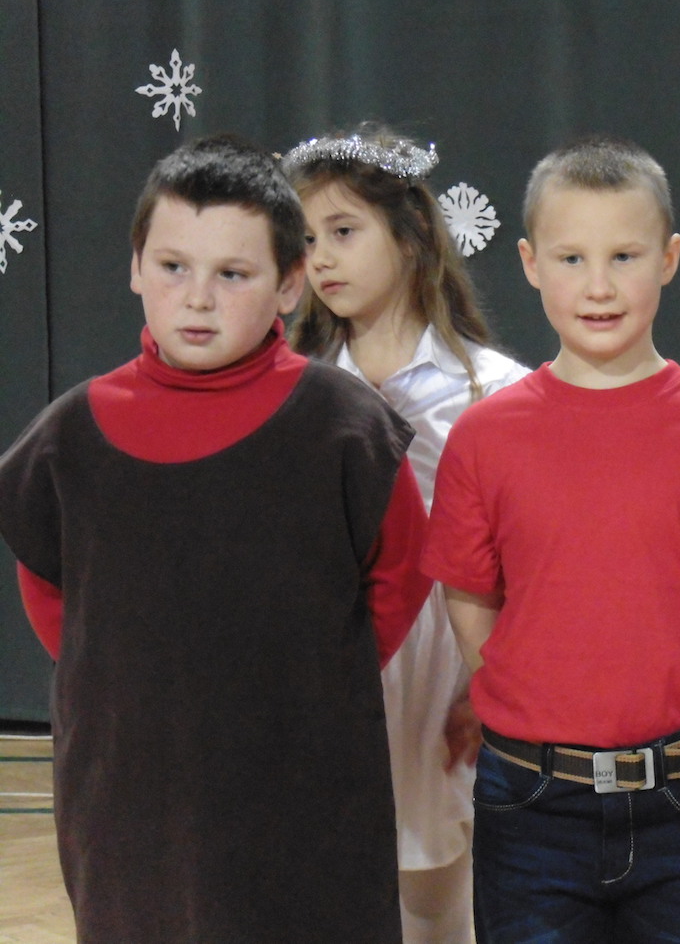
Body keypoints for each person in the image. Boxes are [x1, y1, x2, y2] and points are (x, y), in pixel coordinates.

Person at [0, 135, 432, 943]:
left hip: (304, 785)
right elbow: (53, 587)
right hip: (128, 788)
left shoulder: (342, 424)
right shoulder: (73, 431)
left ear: (289, 284)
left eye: (233, 274)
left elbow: (400, 573)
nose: (197, 298)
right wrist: (134, 677)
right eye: (173, 267)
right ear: (136, 267)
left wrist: (305, 679)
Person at [421, 135, 680, 943]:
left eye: (624, 256)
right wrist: (528, 692)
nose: (598, 286)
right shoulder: (486, 436)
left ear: (669, 258)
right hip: (531, 799)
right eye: (571, 258)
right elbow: (469, 594)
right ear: (530, 263)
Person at [281, 125, 529, 944]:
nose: (322, 258)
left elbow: (532, 561)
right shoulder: (297, 389)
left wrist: (492, 684)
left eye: (343, 231)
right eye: (306, 239)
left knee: (435, 886)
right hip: (337, 657)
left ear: (412, 231)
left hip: (449, 658)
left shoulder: (496, 391)